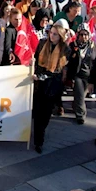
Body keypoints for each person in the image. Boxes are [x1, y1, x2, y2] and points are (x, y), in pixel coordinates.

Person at [32, 23, 70, 153]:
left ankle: (41, 131)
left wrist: (43, 76)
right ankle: (38, 141)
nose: (51, 36)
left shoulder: (65, 49)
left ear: (60, 36)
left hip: (53, 85)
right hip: (39, 84)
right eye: (51, 33)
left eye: (55, 34)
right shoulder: (42, 44)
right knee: (37, 113)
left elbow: (59, 69)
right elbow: (36, 60)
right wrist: (37, 75)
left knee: (46, 114)